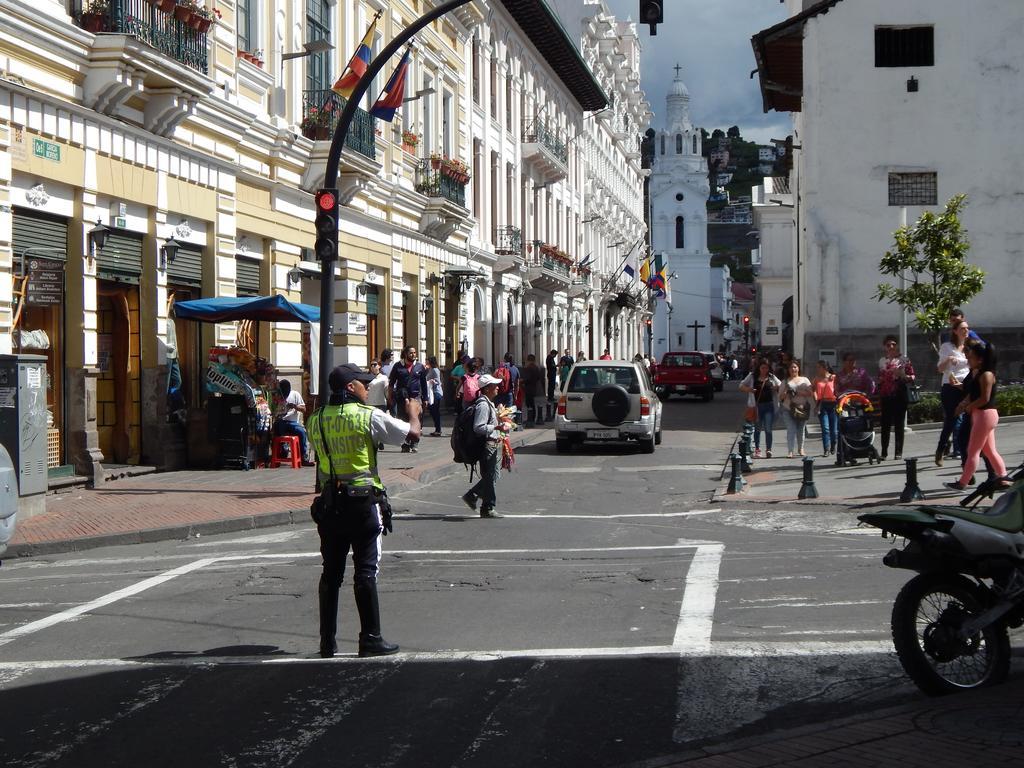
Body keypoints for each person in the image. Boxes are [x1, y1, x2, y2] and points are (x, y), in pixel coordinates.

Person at [306, 363, 421, 658]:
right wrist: (414, 414)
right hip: (362, 503)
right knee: (365, 572)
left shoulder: (316, 419)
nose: (368, 387)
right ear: (349, 388)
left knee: (331, 573)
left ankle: (326, 642)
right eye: (363, 383)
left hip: (331, 504)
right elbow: (412, 435)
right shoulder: (368, 416)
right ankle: (370, 638)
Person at [945, 342, 1010, 493]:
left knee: (973, 450)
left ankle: (962, 483)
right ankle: (1004, 478)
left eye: (971, 357)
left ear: (980, 359)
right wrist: (965, 404)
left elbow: (985, 398)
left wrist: (969, 406)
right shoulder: (978, 373)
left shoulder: (986, 374)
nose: (968, 359)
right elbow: (973, 393)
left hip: (984, 414)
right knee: (989, 451)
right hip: (982, 414)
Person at [460, 373, 511, 518]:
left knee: (493, 475)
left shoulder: (488, 403)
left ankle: (474, 496)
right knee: (490, 477)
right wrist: (496, 428)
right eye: (495, 385)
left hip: (492, 444)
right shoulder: (483, 405)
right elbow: (478, 427)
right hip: (487, 446)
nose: (497, 388)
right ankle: (487, 506)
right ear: (487, 388)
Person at [935, 319, 970, 466]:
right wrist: (949, 359)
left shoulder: (969, 347)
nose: (966, 331)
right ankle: (941, 449)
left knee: (968, 421)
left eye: (967, 328)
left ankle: (966, 456)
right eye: (962, 328)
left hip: (966, 386)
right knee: (951, 420)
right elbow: (940, 369)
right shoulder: (947, 347)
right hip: (950, 387)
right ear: (955, 331)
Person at [877, 335, 915, 460]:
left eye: (893, 344)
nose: (891, 347)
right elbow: (879, 378)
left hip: (899, 394)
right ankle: (884, 452)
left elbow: (912, 376)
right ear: (884, 347)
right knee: (885, 424)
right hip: (886, 395)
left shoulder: (904, 360)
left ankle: (898, 452)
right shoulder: (882, 361)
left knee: (899, 424)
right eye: (888, 345)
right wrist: (880, 380)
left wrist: (903, 375)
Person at [388, 345, 427, 453]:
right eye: (411, 353)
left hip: (416, 398)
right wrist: (389, 396)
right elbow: (391, 383)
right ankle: (405, 443)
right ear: (405, 354)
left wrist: (425, 398)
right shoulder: (398, 366)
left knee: (416, 419)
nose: (413, 355)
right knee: (403, 420)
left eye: (414, 353)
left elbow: (423, 384)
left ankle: (414, 443)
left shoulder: (420, 367)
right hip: (402, 398)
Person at [739, 358, 781, 458]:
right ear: (759, 368)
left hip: (769, 406)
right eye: (762, 368)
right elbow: (741, 385)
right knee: (757, 429)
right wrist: (749, 389)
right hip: (757, 406)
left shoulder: (771, 377)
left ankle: (768, 449)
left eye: (766, 368)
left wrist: (776, 387)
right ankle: (757, 449)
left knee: (768, 429)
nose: (764, 370)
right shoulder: (752, 376)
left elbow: (781, 385)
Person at [779, 360, 815, 458]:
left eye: (795, 367)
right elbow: (780, 397)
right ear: (788, 369)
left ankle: (801, 449)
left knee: (801, 429)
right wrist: (786, 392)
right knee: (791, 429)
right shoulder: (785, 381)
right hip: (788, 408)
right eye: (791, 367)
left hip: (802, 408)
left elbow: (811, 393)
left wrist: (799, 393)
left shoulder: (805, 380)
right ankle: (790, 451)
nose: (793, 369)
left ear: (798, 368)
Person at [275, 379, 313, 465]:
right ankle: (283, 449)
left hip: (293, 422)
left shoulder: (295, 394)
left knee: (302, 432)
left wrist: (294, 406)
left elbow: (304, 409)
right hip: (282, 421)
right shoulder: (277, 396)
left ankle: (304, 458)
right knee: (278, 425)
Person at [813, 361, 838, 456]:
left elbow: (838, 389)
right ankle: (826, 449)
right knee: (825, 428)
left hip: (833, 403)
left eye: (819, 367)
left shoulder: (833, 377)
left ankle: (833, 445)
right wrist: (816, 400)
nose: (817, 369)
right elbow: (812, 390)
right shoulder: (817, 379)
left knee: (834, 430)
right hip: (823, 404)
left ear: (825, 368)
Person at [521, 353, 543, 426]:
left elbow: (527, 378)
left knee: (529, 403)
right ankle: (532, 418)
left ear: (529, 360)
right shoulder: (536, 368)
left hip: (528, 388)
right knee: (532, 403)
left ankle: (530, 419)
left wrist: (522, 381)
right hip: (534, 387)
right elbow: (538, 378)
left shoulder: (529, 368)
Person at [424, 355, 443, 436]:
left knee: (435, 411)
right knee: (433, 411)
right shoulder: (430, 369)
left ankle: (438, 429)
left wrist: (432, 381)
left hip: (436, 393)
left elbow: (438, 381)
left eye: (427, 360)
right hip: (432, 393)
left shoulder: (435, 370)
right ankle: (437, 429)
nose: (425, 361)